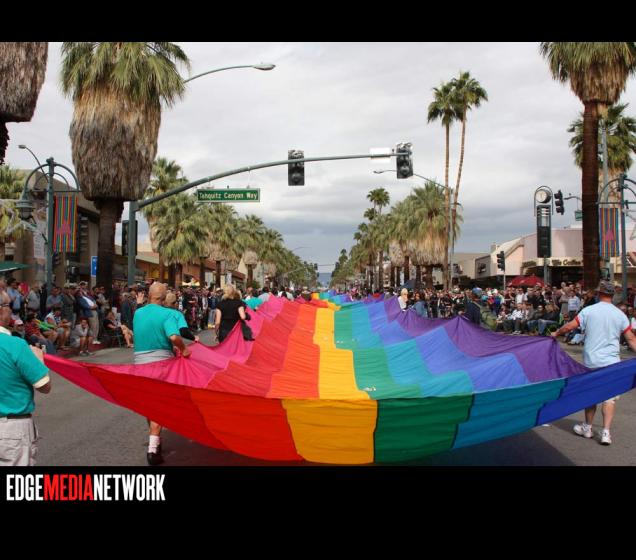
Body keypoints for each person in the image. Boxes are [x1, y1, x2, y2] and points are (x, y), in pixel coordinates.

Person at [551, 281, 636, 445]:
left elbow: (570, 326)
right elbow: (631, 339)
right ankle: (606, 433)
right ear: (612, 295)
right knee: (609, 398)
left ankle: (588, 428)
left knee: (591, 393)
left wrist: (557, 333)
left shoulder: (589, 311)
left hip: (591, 360)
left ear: (599, 294)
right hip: (612, 362)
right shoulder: (620, 315)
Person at [133, 282, 191, 466]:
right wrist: (184, 348)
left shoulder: (138, 313)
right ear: (164, 298)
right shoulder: (167, 314)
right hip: (160, 365)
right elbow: (173, 336)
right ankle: (153, 449)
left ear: (149, 296)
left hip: (139, 364)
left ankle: (155, 440)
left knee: (149, 404)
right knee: (159, 404)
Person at [0, 306, 51, 466]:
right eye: (6, 306)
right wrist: (38, 360)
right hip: (11, 429)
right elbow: (44, 386)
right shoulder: (14, 344)